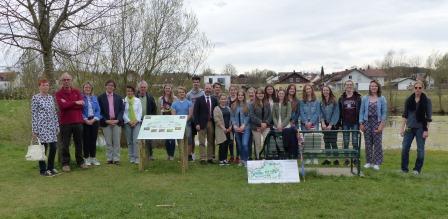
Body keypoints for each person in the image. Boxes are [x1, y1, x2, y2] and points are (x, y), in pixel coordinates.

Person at [55, 73, 87, 172]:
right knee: (65, 144)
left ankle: (80, 162)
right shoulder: (58, 93)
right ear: (61, 81)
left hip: (78, 121)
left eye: (68, 79)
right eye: (64, 80)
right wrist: (75, 102)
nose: (66, 81)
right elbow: (62, 106)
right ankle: (65, 163)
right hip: (65, 122)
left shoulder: (77, 92)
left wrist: (69, 103)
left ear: (71, 80)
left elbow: (82, 105)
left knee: (79, 143)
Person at [400, 80, 432, 175]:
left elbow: (429, 117)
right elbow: (405, 115)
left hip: (421, 128)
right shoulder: (408, 100)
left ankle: (417, 170)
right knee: (405, 148)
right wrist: (402, 128)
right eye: (416, 87)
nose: (417, 89)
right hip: (409, 128)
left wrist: (426, 130)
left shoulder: (427, 101)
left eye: (420, 88)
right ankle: (404, 169)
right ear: (413, 88)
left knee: (420, 150)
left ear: (422, 89)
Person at [31, 79, 60, 176]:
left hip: (51, 127)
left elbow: (54, 112)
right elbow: (34, 114)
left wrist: (57, 125)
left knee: (54, 147)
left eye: (47, 85)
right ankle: (43, 170)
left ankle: (51, 167)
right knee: (42, 149)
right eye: (43, 85)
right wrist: (34, 130)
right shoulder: (35, 98)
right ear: (39, 86)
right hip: (41, 127)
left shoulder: (51, 98)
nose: (45, 87)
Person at [359, 80, 387, 170]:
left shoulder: (382, 98)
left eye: (375, 86)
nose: (373, 87)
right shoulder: (365, 98)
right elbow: (361, 111)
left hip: (377, 123)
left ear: (378, 87)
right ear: (369, 88)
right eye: (372, 86)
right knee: (368, 143)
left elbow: (384, 113)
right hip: (367, 122)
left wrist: (381, 125)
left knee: (377, 143)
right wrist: (361, 123)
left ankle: (377, 163)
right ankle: (368, 162)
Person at [98, 80, 124, 165]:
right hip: (106, 122)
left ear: (114, 87)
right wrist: (106, 120)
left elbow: (121, 110)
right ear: (105, 86)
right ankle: (109, 159)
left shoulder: (119, 97)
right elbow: (99, 111)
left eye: (112, 85)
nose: (110, 87)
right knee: (108, 142)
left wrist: (118, 120)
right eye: (108, 85)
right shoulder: (100, 97)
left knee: (116, 142)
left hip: (116, 122)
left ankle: (116, 159)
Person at [338, 80, 362, 166]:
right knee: (346, 141)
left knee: (355, 141)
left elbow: (361, 111)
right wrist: (339, 124)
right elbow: (339, 112)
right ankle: (346, 159)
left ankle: (355, 159)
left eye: (350, 85)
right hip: (345, 123)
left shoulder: (358, 97)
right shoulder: (341, 98)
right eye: (347, 85)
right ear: (344, 86)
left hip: (355, 122)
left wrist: (361, 122)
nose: (349, 86)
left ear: (353, 86)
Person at [193, 83, 218, 164]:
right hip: (201, 123)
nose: (208, 90)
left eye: (209, 88)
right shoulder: (199, 99)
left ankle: (210, 158)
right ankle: (203, 158)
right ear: (204, 89)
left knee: (211, 141)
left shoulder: (214, 99)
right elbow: (195, 113)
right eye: (206, 88)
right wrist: (197, 123)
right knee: (202, 142)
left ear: (211, 89)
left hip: (211, 123)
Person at [172, 86, 193, 167]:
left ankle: (187, 156)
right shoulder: (174, 104)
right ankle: (181, 156)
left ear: (185, 93)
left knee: (188, 140)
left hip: (187, 124)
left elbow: (190, 114)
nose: (181, 94)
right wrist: (179, 122)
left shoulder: (189, 103)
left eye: (183, 92)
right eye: (180, 92)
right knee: (180, 141)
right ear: (178, 94)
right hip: (178, 126)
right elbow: (173, 114)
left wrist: (184, 121)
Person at [299, 84, 321, 164]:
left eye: (309, 89)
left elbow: (317, 113)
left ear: (312, 89)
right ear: (304, 91)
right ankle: (308, 157)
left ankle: (314, 157)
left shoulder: (317, 101)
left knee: (314, 140)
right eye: (306, 89)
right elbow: (301, 113)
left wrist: (311, 122)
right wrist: (305, 122)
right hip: (304, 124)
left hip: (314, 123)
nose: (308, 90)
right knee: (307, 141)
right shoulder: (302, 102)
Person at [136, 80, 157, 160]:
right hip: (137, 121)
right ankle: (139, 156)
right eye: (141, 87)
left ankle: (150, 155)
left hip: (147, 121)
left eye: (144, 87)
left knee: (148, 140)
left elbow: (154, 109)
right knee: (138, 139)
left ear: (147, 88)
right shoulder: (135, 97)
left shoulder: (150, 97)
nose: (143, 89)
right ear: (138, 88)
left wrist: (152, 120)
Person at [81, 82, 101, 166]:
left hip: (94, 120)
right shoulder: (81, 98)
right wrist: (85, 119)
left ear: (91, 89)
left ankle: (93, 157)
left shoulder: (94, 98)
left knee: (93, 140)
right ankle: (86, 158)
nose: (87, 89)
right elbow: (79, 110)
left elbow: (98, 110)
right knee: (86, 140)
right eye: (86, 87)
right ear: (83, 88)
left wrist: (94, 119)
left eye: (89, 87)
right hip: (85, 121)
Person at [249, 88, 272, 160]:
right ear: (256, 94)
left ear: (264, 94)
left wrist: (266, 123)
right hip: (256, 127)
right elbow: (252, 116)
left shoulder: (267, 103)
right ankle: (258, 158)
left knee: (267, 142)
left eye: (262, 93)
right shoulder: (252, 104)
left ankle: (266, 156)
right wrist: (260, 123)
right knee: (258, 143)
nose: (260, 95)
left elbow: (270, 115)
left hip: (266, 126)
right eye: (258, 93)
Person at [320, 85, 340, 165]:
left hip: (333, 125)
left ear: (330, 91)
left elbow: (336, 113)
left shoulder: (334, 101)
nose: (325, 91)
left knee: (333, 141)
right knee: (326, 142)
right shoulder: (321, 102)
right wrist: (323, 123)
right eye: (324, 90)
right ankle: (328, 159)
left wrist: (331, 124)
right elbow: (320, 113)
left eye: (327, 90)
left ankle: (336, 159)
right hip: (325, 125)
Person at [231, 90, 251, 167]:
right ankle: (242, 160)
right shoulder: (233, 105)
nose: (240, 96)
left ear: (244, 96)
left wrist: (243, 125)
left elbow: (248, 116)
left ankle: (246, 160)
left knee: (245, 144)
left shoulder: (248, 105)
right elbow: (232, 116)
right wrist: (234, 125)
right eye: (239, 95)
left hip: (246, 128)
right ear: (237, 96)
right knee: (239, 145)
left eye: (242, 95)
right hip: (236, 128)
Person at [186, 75, 205, 161]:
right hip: (192, 119)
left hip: (200, 119)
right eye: (194, 82)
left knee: (201, 138)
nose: (196, 84)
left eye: (197, 82)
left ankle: (203, 156)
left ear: (199, 83)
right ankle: (192, 154)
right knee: (191, 138)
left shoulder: (203, 93)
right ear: (192, 83)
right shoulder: (189, 94)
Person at [123, 85, 143, 164]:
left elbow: (140, 112)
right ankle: (131, 157)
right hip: (127, 123)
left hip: (136, 123)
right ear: (126, 92)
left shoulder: (138, 100)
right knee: (129, 141)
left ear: (133, 92)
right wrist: (129, 121)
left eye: (131, 91)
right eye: (128, 91)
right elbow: (123, 113)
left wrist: (136, 121)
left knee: (136, 140)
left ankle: (137, 157)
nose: (129, 92)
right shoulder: (123, 101)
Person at [159, 84, 177, 160]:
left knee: (172, 139)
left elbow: (176, 108)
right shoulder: (160, 99)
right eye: (166, 88)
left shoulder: (174, 98)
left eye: (169, 88)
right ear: (164, 89)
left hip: (172, 120)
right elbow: (159, 109)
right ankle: (168, 155)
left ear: (171, 89)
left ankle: (172, 155)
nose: (167, 90)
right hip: (164, 121)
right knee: (166, 139)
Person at [214, 94, 233, 166]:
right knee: (222, 144)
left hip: (228, 129)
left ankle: (225, 159)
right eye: (222, 99)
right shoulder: (216, 108)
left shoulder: (228, 108)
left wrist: (230, 127)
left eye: (225, 99)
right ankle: (221, 160)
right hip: (221, 129)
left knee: (226, 144)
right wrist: (223, 128)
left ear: (226, 100)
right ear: (219, 100)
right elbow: (217, 119)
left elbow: (232, 118)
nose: (223, 100)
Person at [227, 85, 239, 163]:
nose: (233, 91)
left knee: (237, 140)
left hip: (237, 123)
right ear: (229, 91)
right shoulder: (227, 100)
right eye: (231, 90)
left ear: (236, 91)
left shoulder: (239, 100)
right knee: (230, 141)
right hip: (228, 123)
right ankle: (231, 156)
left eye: (234, 90)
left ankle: (238, 156)